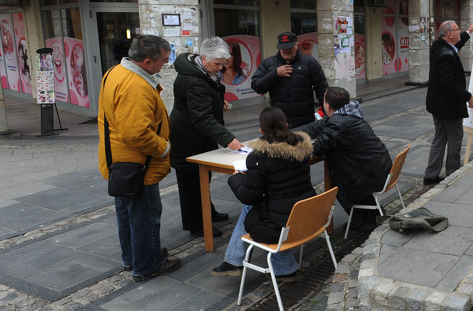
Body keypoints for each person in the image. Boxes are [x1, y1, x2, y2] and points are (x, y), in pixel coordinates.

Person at [97, 35, 180, 281]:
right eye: (163, 61)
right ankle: (148, 264)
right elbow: (137, 134)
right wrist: (163, 148)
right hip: (137, 165)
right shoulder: (135, 85)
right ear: (146, 62)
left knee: (127, 213)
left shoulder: (115, 72)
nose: (165, 64)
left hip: (120, 162)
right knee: (145, 216)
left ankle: (134, 257)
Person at [212, 107, 316, 279]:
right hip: (306, 214)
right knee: (265, 205)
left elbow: (249, 196)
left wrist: (236, 178)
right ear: (286, 125)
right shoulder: (301, 147)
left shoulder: (260, 157)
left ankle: (280, 268)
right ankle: (236, 261)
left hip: (282, 223)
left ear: (261, 130)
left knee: (250, 207)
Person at [170, 37, 242, 238]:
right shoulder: (194, 81)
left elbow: (204, 101)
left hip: (199, 136)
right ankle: (197, 224)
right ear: (203, 58)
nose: (220, 68)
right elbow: (201, 117)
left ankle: (207, 211)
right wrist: (228, 138)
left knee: (202, 177)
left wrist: (217, 102)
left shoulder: (200, 70)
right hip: (188, 137)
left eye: (222, 64)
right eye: (217, 64)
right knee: (191, 182)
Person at [297, 87, 392, 231]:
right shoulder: (348, 113)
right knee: (342, 174)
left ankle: (361, 221)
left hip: (370, 175)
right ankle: (369, 215)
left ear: (327, 105)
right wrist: (291, 135)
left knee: (338, 184)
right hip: (379, 167)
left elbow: (317, 150)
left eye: (323, 101)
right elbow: (317, 126)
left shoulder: (338, 124)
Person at [423, 20, 473, 185]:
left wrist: (468, 33)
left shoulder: (439, 46)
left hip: (437, 104)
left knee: (439, 138)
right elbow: (448, 83)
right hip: (448, 105)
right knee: (454, 139)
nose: (459, 31)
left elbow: (456, 45)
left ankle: (431, 175)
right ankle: (452, 175)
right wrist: (468, 96)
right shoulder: (446, 55)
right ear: (449, 34)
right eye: (457, 29)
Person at [251, 31, 328, 128]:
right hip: (279, 120)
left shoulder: (310, 62)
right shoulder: (268, 63)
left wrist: (327, 113)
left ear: (296, 45)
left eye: (290, 48)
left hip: (305, 121)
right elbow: (257, 87)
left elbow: (322, 89)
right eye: (283, 48)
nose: (286, 50)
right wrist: (275, 74)